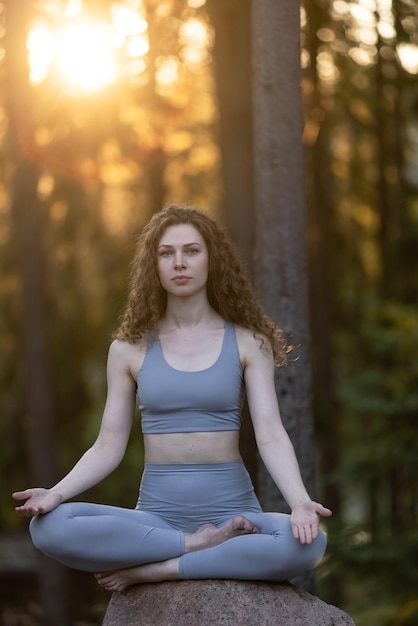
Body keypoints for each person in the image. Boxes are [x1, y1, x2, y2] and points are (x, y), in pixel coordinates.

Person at [13, 204, 332, 593]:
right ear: (155, 265)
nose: (179, 263)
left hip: (237, 515)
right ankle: (192, 546)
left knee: (310, 542)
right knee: (47, 527)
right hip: (156, 520)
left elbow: (270, 434)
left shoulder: (249, 341)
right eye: (167, 253)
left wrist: (300, 502)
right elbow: (108, 445)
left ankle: (156, 570)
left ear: (211, 260)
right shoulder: (129, 349)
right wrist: (57, 492)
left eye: (192, 251)